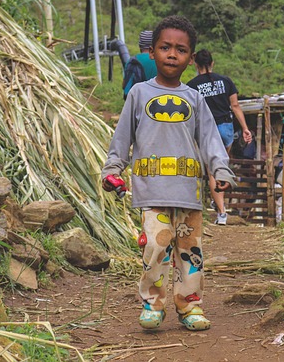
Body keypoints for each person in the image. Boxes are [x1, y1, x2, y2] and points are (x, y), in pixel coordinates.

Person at [102, 16, 236, 332]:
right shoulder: (138, 94)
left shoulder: (195, 98)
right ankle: (153, 304)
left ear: (191, 58)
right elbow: (122, 137)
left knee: (191, 252)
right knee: (155, 247)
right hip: (152, 190)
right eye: (165, 47)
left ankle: (190, 307)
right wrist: (113, 169)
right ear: (153, 52)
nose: (172, 54)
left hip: (188, 192)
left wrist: (220, 169)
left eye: (180, 49)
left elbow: (210, 140)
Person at [186, 49, 252, 225]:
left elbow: (190, 113)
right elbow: (235, 106)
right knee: (220, 165)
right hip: (226, 128)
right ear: (212, 63)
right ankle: (220, 207)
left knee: (212, 170)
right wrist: (245, 128)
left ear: (196, 64)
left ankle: (221, 212)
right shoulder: (226, 81)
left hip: (207, 130)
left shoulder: (192, 85)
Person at [122, 30, 158, 98]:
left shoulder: (132, 60)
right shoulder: (159, 60)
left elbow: (124, 85)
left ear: (140, 45)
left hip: (135, 100)